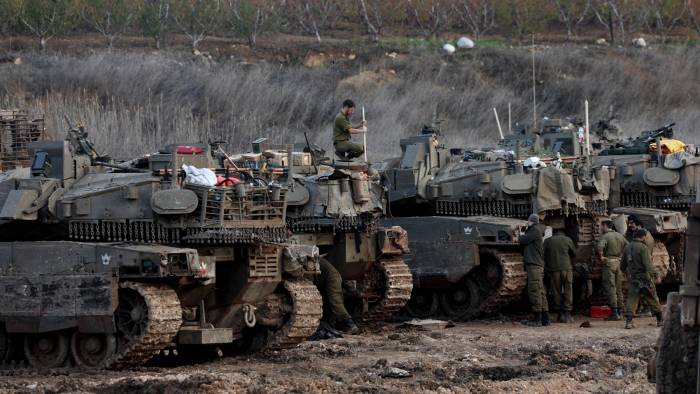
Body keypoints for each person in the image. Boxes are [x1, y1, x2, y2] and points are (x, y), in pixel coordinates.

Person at [621, 229, 663, 329]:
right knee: (652, 298)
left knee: (632, 299)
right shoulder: (643, 248)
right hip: (644, 279)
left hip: (633, 279)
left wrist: (627, 273)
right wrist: (656, 275)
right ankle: (660, 320)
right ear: (643, 236)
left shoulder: (627, 247)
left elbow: (622, 265)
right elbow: (648, 265)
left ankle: (629, 322)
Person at [519, 213, 549, 326]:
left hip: (534, 265)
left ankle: (537, 319)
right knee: (540, 291)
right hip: (538, 265)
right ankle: (545, 319)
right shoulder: (538, 230)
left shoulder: (534, 230)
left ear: (531, 221)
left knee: (534, 291)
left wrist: (518, 233)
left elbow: (522, 240)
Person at [315, 259, 359, 334]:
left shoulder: (310, 257)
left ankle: (350, 324)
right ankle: (331, 325)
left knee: (336, 302)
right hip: (323, 280)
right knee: (326, 303)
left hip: (331, 277)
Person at [597, 220, 628, 321]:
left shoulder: (605, 236)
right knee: (618, 288)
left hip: (609, 263)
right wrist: (622, 257)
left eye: (602, 226)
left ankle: (614, 313)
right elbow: (627, 246)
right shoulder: (619, 235)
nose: (601, 228)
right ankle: (620, 311)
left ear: (605, 226)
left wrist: (601, 256)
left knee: (611, 287)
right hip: (618, 263)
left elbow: (600, 246)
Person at [543, 229, 576, 323]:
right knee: (568, 290)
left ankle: (560, 314)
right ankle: (568, 314)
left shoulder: (547, 241)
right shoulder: (567, 239)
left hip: (554, 270)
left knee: (556, 291)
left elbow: (543, 254)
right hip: (567, 268)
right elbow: (574, 253)